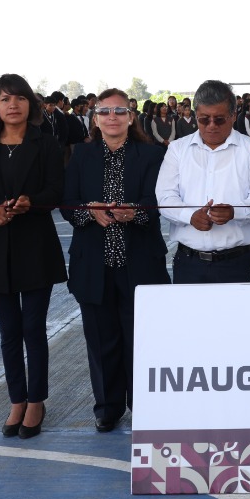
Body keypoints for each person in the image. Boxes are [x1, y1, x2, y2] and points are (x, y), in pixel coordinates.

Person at [0, 73, 68, 439]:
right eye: (5, 99)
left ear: (30, 104)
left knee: (32, 328)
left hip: (35, 245)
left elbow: (57, 189)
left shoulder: (47, 144)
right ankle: (16, 400)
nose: (13, 105)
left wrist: (31, 202)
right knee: (9, 332)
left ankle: (36, 400)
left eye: (19, 98)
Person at [64, 88, 169, 432]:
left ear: (131, 116)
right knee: (100, 337)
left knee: (140, 337)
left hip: (139, 261)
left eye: (119, 111)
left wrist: (135, 213)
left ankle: (143, 403)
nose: (112, 117)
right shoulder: (80, 154)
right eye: (105, 111)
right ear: (95, 118)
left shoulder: (151, 155)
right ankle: (107, 407)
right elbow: (68, 203)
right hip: (94, 262)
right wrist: (88, 212)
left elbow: (159, 203)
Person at [157, 80, 250, 284]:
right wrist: (189, 216)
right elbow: (165, 197)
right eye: (204, 119)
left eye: (219, 120)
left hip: (237, 263)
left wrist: (235, 212)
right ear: (195, 116)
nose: (211, 126)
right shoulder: (177, 149)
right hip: (189, 263)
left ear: (233, 116)